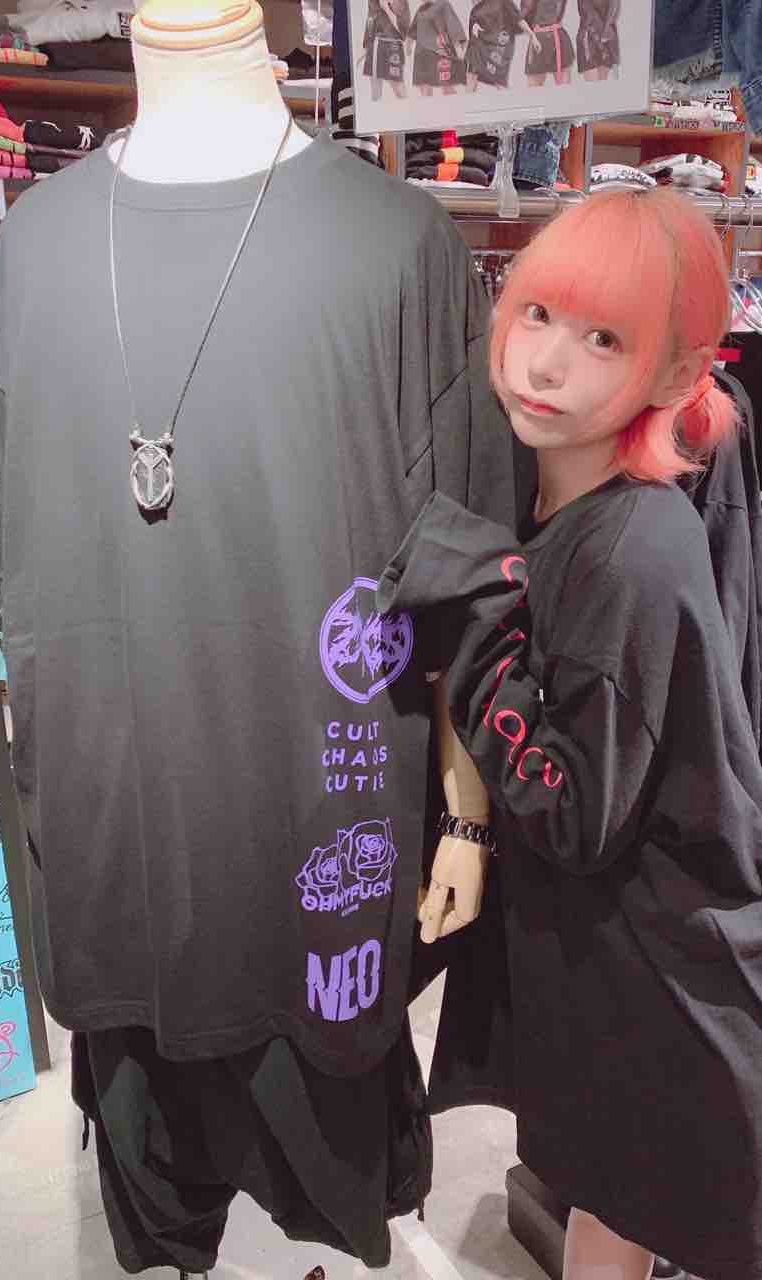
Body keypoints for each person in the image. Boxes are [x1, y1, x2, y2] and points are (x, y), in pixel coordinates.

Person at [378, 189, 762, 1280]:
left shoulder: (634, 551)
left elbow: (569, 802)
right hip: (623, 956)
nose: (545, 363)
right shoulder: (566, 502)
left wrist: (479, 621)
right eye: (537, 313)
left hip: (660, 978)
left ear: (676, 375)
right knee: (611, 1200)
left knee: (633, 1191)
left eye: (604, 340)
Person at [465, 0, 541, 91]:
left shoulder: (503, 2)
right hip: (479, 48)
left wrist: (533, 36)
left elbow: (519, 20)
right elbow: (472, 34)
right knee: (471, 76)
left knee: (499, 82)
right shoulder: (475, 10)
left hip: (499, 46)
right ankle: (469, 98)